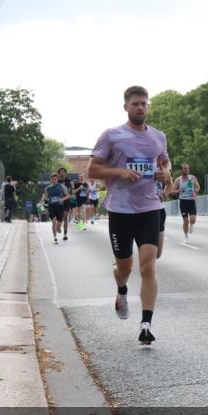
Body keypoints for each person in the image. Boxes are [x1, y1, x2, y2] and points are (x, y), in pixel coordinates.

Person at [87, 85, 171, 345]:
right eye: (135, 103)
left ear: (148, 106)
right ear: (126, 107)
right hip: (121, 211)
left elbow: (165, 162)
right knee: (125, 267)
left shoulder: (158, 137)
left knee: (149, 264)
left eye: (144, 103)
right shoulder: (112, 136)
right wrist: (121, 173)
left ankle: (146, 324)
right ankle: (122, 290)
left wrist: (165, 173)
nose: (140, 107)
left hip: (149, 208)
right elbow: (93, 169)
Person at [171, 163, 201, 244]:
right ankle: (186, 237)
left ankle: (191, 225)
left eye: (187, 168)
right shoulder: (178, 180)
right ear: (181, 170)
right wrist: (179, 190)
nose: (186, 170)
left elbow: (198, 186)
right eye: (185, 168)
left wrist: (195, 191)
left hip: (191, 201)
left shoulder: (192, 178)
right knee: (185, 222)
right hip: (183, 202)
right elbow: (172, 191)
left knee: (192, 219)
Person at [41, 173, 70, 244]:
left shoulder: (61, 186)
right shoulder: (47, 188)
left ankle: (58, 228)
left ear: (57, 180)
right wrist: (43, 204)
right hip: (51, 206)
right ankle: (55, 238)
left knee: (59, 223)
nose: (54, 180)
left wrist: (62, 199)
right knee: (53, 221)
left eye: (56, 179)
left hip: (59, 206)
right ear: (50, 180)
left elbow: (68, 196)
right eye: (53, 179)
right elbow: (45, 197)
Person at [57, 167, 73, 240]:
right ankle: (59, 225)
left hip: (66, 201)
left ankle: (65, 234)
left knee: (66, 217)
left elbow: (70, 192)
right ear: (59, 173)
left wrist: (71, 187)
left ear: (65, 173)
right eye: (60, 172)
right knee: (60, 217)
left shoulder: (68, 181)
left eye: (63, 171)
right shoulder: (57, 181)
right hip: (59, 201)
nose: (62, 173)